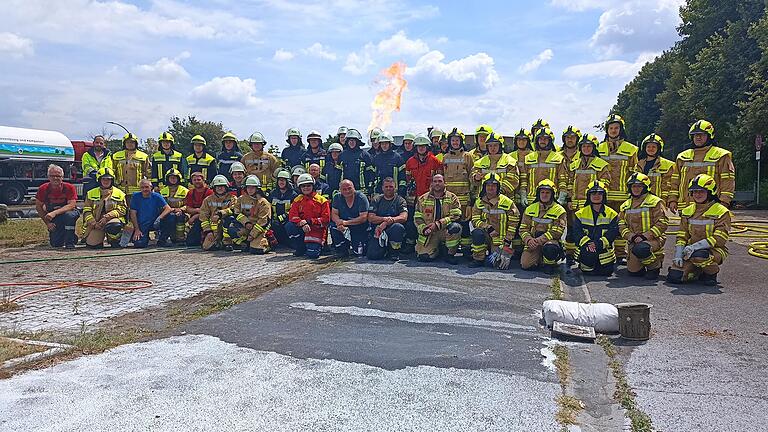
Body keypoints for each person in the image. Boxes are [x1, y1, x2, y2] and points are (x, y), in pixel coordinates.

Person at [667, 174, 731, 286]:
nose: (697, 194)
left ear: (710, 192)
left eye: (702, 191)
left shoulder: (721, 212)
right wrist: (678, 254)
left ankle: (711, 273)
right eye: (695, 191)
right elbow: (682, 235)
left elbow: (719, 239)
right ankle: (696, 271)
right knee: (674, 277)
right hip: (690, 252)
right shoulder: (687, 211)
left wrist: (695, 247)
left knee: (700, 256)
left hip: (714, 250)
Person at [597, 114, 638, 263]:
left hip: (623, 195)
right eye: (611, 128)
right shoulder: (598, 148)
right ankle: (605, 250)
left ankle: (620, 253)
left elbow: (635, 173)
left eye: (616, 128)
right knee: (603, 225)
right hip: (602, 196)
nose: (613, 131)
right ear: (607, 130)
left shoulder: (631, 149)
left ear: (621, 130)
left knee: (621, 225)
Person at [669, 120, 735, 211]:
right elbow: (675, 181)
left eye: (702, 135)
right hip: (685, 207)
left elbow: (727, 181)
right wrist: (673, 199)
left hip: (711, 206)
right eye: (696, 135)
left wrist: (724, 201)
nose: (698, 137)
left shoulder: (721, 155)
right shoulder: (682, 157)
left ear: (709, 136)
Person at [567, 133, 611, 265]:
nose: (586, 148)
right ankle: (570, 255)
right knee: (572, 231)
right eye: (584, 146)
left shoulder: (602, 164)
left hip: (591, 205)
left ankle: (588, 255)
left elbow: (605, 184)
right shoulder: (574, 165)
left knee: (590, 232)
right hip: (574, 205)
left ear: (594, 147)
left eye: (589, 146)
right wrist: (569, 199)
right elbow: (569, 183)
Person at [619, 173, 669, 279]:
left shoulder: (655, 202)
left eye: (639, 186)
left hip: (653, 239)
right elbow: (621, 224)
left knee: (641, 249)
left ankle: (654, 267)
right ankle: (642, 262)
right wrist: (631, 236)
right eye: (633, 186)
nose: (636, 189)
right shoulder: (626, 205)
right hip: (634, 241)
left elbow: (662, 222)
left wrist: (644, 236)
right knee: (634, 272)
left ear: (645, 187)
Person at [469, 174, 520, 269]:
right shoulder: (479, 202)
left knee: (494, 264)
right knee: (477, 233)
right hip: (486, 235)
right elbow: (475, 220)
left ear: (498, 187)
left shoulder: (508, 202)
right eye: (488, 185)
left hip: (501, 240)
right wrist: (488, 227)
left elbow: (514, 222)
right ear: (484, 187)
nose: (490, 188)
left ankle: (494, 255)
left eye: (493, 186)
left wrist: (508, 240)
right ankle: (478, 259)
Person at [441, 128, 475, 258]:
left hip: (465, 198)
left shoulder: (468, 157)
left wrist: (471, 199)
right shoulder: (445, 157)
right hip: (449, 200)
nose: (455, 142)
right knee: (450, 223)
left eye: (457, 140)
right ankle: (450, 250)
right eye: (453, 140)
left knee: (465, 225)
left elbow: (473, 178)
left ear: (461, 141)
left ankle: (466, 250)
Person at [405, 134, 442, 254]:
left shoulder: (435, 161)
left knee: (429, 220)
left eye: (423, 146)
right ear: (415, 147)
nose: (421, 148)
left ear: (427, 147)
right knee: (413, 220)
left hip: (430, 198)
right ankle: (411, 244)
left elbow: (440, 179)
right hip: (414, 198)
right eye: (419, 146)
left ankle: (431, 244)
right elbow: (408, 179)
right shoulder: (410, 162)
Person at [519, 179, 567, 272]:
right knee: (525, 265)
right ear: (538, 194)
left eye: (547, 193)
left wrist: (538, 241)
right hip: (533, 242)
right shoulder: (530, 208)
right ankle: (539, 259)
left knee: (550, 249)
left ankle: (550, 261)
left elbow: (557, 232)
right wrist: (529, 240)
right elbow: (523, 229)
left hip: (549, 242)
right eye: (542, 192)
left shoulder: (559, 210)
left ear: (552, 194)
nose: (544, 195)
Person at [572, 181, 619, 276]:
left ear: (604, 195)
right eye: (593, 193)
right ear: (589, 195)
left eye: (599, 193)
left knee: (606, 272)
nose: (596, 196)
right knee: (588, 270)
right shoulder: (580, 213)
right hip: (587, 248)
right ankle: (586, 265)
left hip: (603, 249)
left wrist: (598, 244)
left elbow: (612, 233)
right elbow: (577, 232)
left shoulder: (612, 214)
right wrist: (588, 243)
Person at [414, 174, 463, 263]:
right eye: (435, 181)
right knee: (424, 257)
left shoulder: (452, 197)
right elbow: (417, 217)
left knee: (456, 227)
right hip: (431, 233)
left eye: (440, 181)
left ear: (445, 183)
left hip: (445, 230)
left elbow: (456, 215)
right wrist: (424, 229)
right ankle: (438, 250)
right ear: (431, 184)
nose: (437, 183)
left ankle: (450, 254)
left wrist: (438, 224)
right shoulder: (422, 199)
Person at [286, 173, 331, 259]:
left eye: (308, 185)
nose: (306, 188)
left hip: (316, 229)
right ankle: (300, 247)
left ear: (313, 186)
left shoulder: (322, 200)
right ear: (300, 188)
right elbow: (292, 216)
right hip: (302, 228)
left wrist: (310, 221)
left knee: (312, 255)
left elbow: (326, 219)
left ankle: (319, 246)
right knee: (289, 226)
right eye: (303, 186)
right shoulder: (297, 200)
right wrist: (301, 223)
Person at [35, 164, 80, 248]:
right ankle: (71, 237)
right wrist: (48, 223)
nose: (55, 178)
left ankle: (70, 242)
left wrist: (54, 213)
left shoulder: (69, 187)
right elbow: (38, 207)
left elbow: (71, 205)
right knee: (56, 243)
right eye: (52, 176)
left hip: (69, 213)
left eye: (58, 176)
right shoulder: (43, 189)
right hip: (53, 217)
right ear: (48, 177)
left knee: (69, 216)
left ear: (62, 177)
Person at [225, 175, 272, 254]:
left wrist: (252, 234)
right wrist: (246, 222)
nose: (250, 190)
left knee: (256, 250)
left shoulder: (263, 202)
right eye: (248, 187)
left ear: (257, 189)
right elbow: (236, 213)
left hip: (260, 229)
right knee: (232, 228)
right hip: (247, 226)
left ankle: (268, 244)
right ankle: (246, 243)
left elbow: (264, 221)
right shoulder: (241, 199)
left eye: (252, 187)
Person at [82, 167, 127, 248]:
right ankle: (99, 239)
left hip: (112, 221)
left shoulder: (119, 193)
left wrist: (107, 217)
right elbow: (86, 210)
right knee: (93, 246)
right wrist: (94, 223)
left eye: (108, 179)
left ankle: (114, 239)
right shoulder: (91, 193)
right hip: (97, 223)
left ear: (112, 180)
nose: (106, 181)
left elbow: (123, 210)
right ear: (99, 180)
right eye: (103, 179)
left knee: (114, 226)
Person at [522, 127, 567, 205]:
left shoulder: (559, 159)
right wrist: (523, 195)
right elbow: (524, 179)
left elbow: (562, 181)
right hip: (531, 200)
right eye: (540, 139)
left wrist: (561, 198)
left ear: (550, 141)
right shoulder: (528, 158)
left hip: (552, 200)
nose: (542, 141)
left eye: (545, 139)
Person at [367, 177, 408, 261]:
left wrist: (389, 221)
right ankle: (383, 249)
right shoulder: (376, 199)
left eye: (391, 187)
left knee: (398, 227)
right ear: (382, 188)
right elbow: (370, 218)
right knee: (373, 256)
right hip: (378, 230)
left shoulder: (400, 200)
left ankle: (394, 252)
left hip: (393, 229)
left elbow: (404, 217)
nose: (388, 189)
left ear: (395, 188)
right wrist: (385, 219)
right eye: (386, 187)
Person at [330, 180, 370, 257]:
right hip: (343, 226)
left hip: (358, 226)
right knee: (333, 227)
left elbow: (363, 218)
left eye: (349, 188)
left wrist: (345, 223)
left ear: (354, 188)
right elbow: (334, 214)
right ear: (340, 190)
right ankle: (341, 250)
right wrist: (338, 222)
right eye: (344, 189)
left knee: (359, 253)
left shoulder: (361, 197)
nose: (347, 191)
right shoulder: (337, 197)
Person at [129, 179, 172, 248]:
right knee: (139, 244)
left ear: (151, 187)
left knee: (171, 217)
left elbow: (168, 209)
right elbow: (133, 213)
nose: (144, 189)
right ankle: (144, 238)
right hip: (142, 225)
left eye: (146, 187)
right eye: (142, 187)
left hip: (155, 222)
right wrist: (137, 229)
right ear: (140, 188)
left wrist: (159, 218)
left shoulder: (157, 196)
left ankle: (162, 240)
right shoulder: (135, 197)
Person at [471, 132, 518, 196]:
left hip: (504, 198)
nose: (492, 148)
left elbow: (513, 180)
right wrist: (475, 178)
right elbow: (472, 177)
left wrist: (499, 191)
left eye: (495, 145)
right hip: (484, 200)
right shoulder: (479, 162)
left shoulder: (509, 161)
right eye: (490, 145)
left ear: (500, 146)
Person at [111, 132, 150, 208]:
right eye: (128, 142)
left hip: (137, 189)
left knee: (136, 209)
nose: (130, 144)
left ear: (136, 143)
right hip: (120, 189)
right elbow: (112, 170)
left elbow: (149, 172)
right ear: (124, 143)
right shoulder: (116, 156)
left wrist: (149, 187)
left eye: (132, 142)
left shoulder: (143, 156)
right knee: (121, 209)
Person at [636, 133, 676, 206]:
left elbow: (669, 186)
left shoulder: (668, 165)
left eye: (654, 147)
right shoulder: (638, 165)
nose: (651, 149)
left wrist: (666, 201)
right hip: (640, 202)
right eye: (648, 146)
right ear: (644, 148)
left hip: (659, 202)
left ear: (659, 148)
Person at [199, 175, 237, 251]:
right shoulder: (208, 200)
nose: (220, 188)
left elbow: (234, 209)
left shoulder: (232, 198)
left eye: (222, 186)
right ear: (214, 187)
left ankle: (227, 242)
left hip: (226, 225)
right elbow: (203, 216)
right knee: (207, 247)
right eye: (217, 186)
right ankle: (217, 242)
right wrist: (208, 231)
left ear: (226, 187)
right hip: (213, 228)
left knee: (229, 219)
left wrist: (221, 213)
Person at [157, 168, 189, 246]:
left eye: (175, 177)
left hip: (182, 213)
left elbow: (188, 205)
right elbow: (160, 205)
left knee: (180, 217)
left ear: (179, 178)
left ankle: (180, 238)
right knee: (170, 217)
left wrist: (181, 209)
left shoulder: (185, 191)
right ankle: (163, 239)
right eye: (171, 177)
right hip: (167, 213)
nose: (173, 179)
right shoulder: (163, 191)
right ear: (167, 179)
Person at [339, 128, 375, 195]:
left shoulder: (365, 155)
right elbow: (338, 173)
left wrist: (370, 187)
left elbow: (371, 173)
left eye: (353, 140)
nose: (351, 142)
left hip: (362, 191)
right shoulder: (342, 155)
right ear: (347, 141)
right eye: (350, 140)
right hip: (346, 190)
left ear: (357, 141)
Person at [269, 169, 298, 247]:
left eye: (283, 180)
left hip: (287, 221)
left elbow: (294, 210)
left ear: (287, 182)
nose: (281, 182)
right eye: (280, 180)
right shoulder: (273, 193)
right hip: (275, 222)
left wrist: (282, 218)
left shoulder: (293, 195)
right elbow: (268, 208)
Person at [184, 171, 213, 247]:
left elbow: (209, 211)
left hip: (207, 219)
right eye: (194, 180)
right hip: (196, 219)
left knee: (193, 242)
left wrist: (194, 216)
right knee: (190, 243)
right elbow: (188, 208)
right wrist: (197, 210)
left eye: (199, 179)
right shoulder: (190, 193)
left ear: (203, 180)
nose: (197, 181)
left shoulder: (210, 192)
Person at [510, 129, 534, 209]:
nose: (521, 142)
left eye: (524, 140)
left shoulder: (534, 155)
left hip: (530, 194)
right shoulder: (510, 156)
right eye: (519, 140)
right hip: (513, 193)